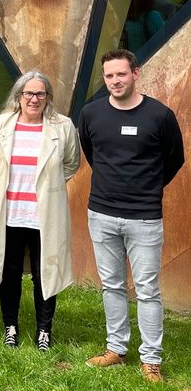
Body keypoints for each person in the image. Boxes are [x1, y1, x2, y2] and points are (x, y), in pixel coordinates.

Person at [79, 49, 184, 383]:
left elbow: (174, 159)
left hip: (144, 218)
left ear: (135, 74)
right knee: (111, 285)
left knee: (147, 289)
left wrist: (147, 187)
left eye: (121, 74)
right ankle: (116, 349)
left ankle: (150, 360)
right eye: (109, 76)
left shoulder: (159, 115)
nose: (115, 81)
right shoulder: (91, 114)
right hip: (102, 214)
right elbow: (93, 153)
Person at [0, 71, 80, 351]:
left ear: (48, 98)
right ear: (18, 96)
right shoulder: (1, 125)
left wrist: (49, 188)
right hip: (10, 214)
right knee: (8, 272)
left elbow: (71, 164)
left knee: (44, 272)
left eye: (40, 94)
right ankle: (10, 326)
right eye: (28, 94)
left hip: (44, 216)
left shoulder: (62, 126)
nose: (34, 99)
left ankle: (44, 330)